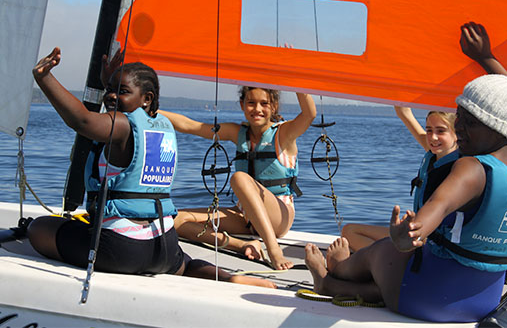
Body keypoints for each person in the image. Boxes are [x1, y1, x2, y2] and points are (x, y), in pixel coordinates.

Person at [304, 22, 507, 323]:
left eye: (469, 122)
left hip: (429, 299)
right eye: (460, 117)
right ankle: (349, 276)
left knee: (382, 253)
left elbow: (437, 208)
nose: (459, 128)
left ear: (496, 128)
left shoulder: (471, 169)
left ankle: (334, 275)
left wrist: (405, 237)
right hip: (484, 302)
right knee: (404, 265)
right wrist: (486, 56)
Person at [28, 48, 275, 288]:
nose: (112, 96)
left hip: (121, 249)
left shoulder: (123, 126)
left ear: (147, 99)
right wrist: (112, 85)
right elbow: (119, 113)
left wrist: (44, 77)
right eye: (110, 90)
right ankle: (228, 277)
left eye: (122, 91)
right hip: (164, 246)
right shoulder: (161, 125)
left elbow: (82, 120)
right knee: (184, 264)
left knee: (39, 228)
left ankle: (222, 276)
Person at [160, 88, 316, 270]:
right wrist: (148, 109)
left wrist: (297, 82)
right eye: (251, 103)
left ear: (274, 107)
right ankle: (242, 246)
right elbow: (190, 126)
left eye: (264, 103)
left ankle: (273, 250)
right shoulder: (237, 133)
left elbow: (309, 114)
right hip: (244, 216)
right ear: (242, 105)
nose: (257, 109)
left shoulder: (284, 133)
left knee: (239, 178)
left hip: (279, 216)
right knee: (176, 220)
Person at [341, 107, 458, 251]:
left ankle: (387, 261)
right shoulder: (432, 152)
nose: (433, 137)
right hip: (414, 232)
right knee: (350, 231)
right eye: (429, 130)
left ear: (457, 133)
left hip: (429, 243)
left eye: (441, 131)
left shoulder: (460, 168)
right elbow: (404, 112)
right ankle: (385, 260)